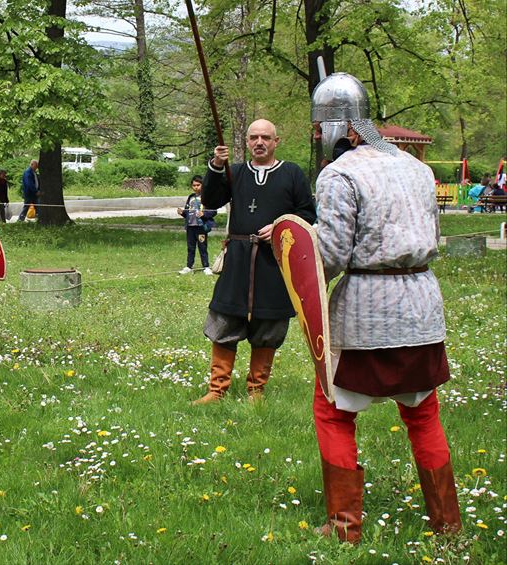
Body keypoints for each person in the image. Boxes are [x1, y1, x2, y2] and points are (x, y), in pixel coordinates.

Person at [309, 72, 462, 543]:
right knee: (423, 413)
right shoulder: (418, 169)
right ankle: (448, 525)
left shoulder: (340, 173)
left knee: (333, 411)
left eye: (321, 127)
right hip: (420, 307)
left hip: (365, 313)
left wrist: (294, 252)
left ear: (344, 127)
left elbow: (330, 255)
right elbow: (430, 237)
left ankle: (344, 528)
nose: (319, 136)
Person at [193, 119, 316, 404]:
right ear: (247, 142)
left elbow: (308, 214)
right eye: (253, 138)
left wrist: (280, 227)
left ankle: (256, 390)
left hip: (273, 262)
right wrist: (215, 165)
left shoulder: (292, 174)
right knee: (225, 319)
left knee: (268, 324)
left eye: (265, 137)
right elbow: (210, 199)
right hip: (237, 259)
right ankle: (216, 389)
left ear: (276, 141)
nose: (259, 142)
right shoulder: (235, 172)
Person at [177, 175, 216, 275]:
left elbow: (213, 211)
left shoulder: (207, 197)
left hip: (201, 227)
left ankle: (206, 267)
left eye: (198, 185)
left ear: (203, 185)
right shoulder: (190, 197)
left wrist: (204, 214)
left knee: (202, 247)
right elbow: (187, 212)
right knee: (191, 247)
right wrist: (182, 212)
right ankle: (189, 266)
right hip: (191, 227)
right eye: (194, 185)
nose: (196, 187)